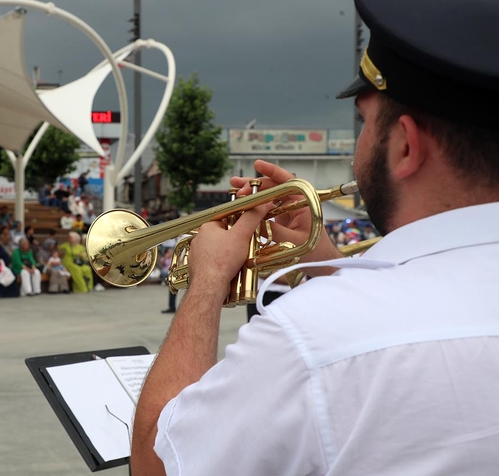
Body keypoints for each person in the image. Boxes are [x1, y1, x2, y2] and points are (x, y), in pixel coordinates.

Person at [130, 2, 499, 474]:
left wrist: (206, 281)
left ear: (405, 145)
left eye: (365, 123)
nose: (358, 146)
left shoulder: (308, 341)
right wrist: (328, 264)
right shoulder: (330, 327)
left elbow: (155, 462)